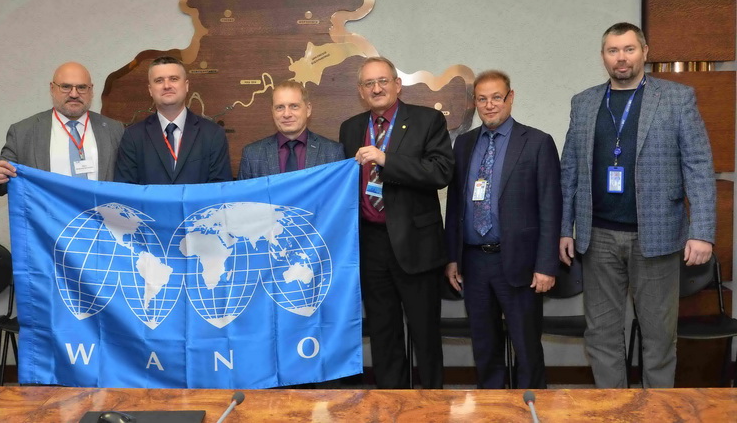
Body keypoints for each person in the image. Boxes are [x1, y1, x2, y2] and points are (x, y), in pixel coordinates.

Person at [559, 22, 716, 388]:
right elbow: (570, 170)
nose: (621, 57)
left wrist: (702, 232)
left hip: (657, 238)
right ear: (603, 57)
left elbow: (698, 166)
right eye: (613, 50)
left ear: (645, 52)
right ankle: (614, 409)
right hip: (597, 237)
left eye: (629, 49)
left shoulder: (677, 98)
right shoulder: (584, 103)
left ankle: (656, 411)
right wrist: (565, 228)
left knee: (658, 338)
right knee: (601, 335)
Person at [339, 56, 453, 389]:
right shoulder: (350, 128)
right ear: (361, 91)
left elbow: (441, 172)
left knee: (425, 332)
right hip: (370, 242)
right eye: (369, 83)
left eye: (383, 81)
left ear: (397, 84)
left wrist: (386, 159)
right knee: (383, 331)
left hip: (416, 244)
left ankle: (432, 401)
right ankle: (391, 401)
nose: (376, 89)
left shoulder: (427, 120)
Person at [444, 70, 561, 389]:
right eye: (482, 99)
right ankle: (491, 406)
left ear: (511, 97)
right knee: (484, 345)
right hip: (474, 263)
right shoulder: (464, 144)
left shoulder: (537, 142)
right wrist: (453, 257)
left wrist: (546, 265)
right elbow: (454, 205)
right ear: (475, 103)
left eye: (496, 97)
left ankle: (530, 406)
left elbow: (551, 207)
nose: (489, 105)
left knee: (526, 345)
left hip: (520, 262)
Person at [0, 62, 124, 197]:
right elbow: (1, 177)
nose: (74, 94)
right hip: (47, 217)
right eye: (66, 87)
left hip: (99, 216)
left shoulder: (114, 130)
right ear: (52, 88)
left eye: (81, 87)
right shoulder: (23, 132)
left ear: (91, 90)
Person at [115, 56, 232, 184]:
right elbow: (126, 189)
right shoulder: (133, 136)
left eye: (174, 79)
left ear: (186, 86)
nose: (167, 86)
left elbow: (220, 188)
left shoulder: (213, 134)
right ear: (150, 90)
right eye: (159, 80)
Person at [237, 80, 343, 179]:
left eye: (294, 106)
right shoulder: (252, 155)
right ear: (272, 111)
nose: (287, 114)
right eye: (280, 107)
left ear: (308, 109)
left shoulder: (332, 152)